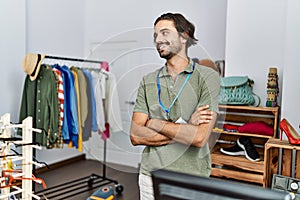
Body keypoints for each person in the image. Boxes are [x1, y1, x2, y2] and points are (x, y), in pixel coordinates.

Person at [130, 13, 220, 200]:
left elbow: (200, 138)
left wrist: (154, 123)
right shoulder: (148, 81)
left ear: (184, 36)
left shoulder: (207, 77)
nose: (158, 40)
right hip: (150, 177)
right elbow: (136, 135)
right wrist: (187, 126)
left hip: (193, 178)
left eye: (164, 33)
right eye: (155, 35)